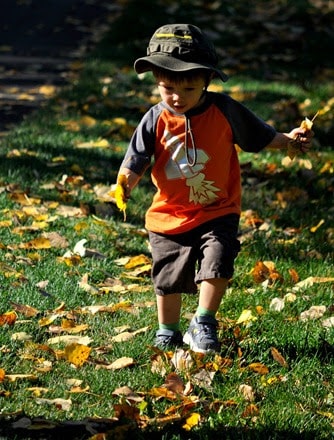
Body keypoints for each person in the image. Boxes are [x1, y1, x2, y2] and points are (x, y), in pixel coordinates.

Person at [116, 24, 313, 353]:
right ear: (156, 82)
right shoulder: (155, 118)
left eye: (189, 88)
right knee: (167, 277)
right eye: (167, 88)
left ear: (206, 81)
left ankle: (204, 321)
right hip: (170, 213)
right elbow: (136, 158)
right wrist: (124, 185)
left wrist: (288, 141)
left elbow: (259, 136)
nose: (177, 97)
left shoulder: (224, 111)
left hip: (217, 208)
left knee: (218, 261)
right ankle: (168, 330)